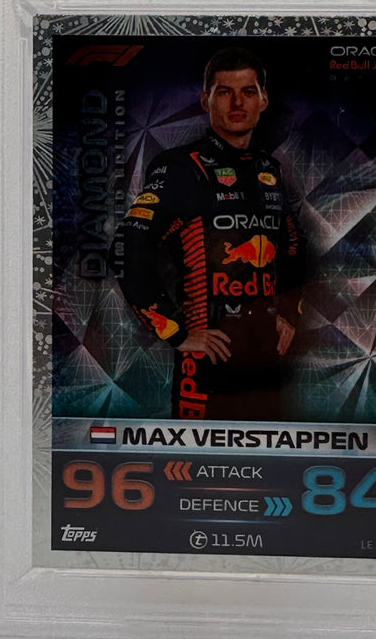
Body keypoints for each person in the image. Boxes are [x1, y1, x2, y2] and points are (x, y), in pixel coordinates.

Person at [110, 46, 305, 421]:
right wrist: (176, 332)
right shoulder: (180, 167)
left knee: (267, 455)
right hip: (205, 364)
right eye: (225, 92)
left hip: (267, 363)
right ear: (206, 100)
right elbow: (126, 248)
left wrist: (289, 314)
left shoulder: (269, 169)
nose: (237, 102)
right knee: (196, 456)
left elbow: (294, 244)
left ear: (263, 100)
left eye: (248, 92)